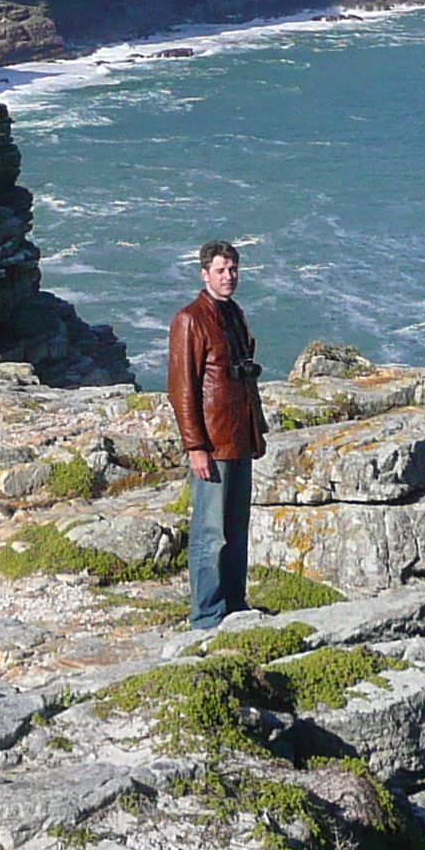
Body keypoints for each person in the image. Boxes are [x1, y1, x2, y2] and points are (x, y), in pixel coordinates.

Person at [167, 239, 266, 629]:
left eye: (233, 270)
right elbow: (182, 388)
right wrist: (195, 446)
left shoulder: (235, 314)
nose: (229, 277)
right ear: (204, 273)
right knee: (211, 534)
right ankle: (206, 616)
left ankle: (234, 605)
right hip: (212, 443)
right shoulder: (190, 319)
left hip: (240, 437)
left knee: (236, 530)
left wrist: (256, 429)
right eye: (221, 270)